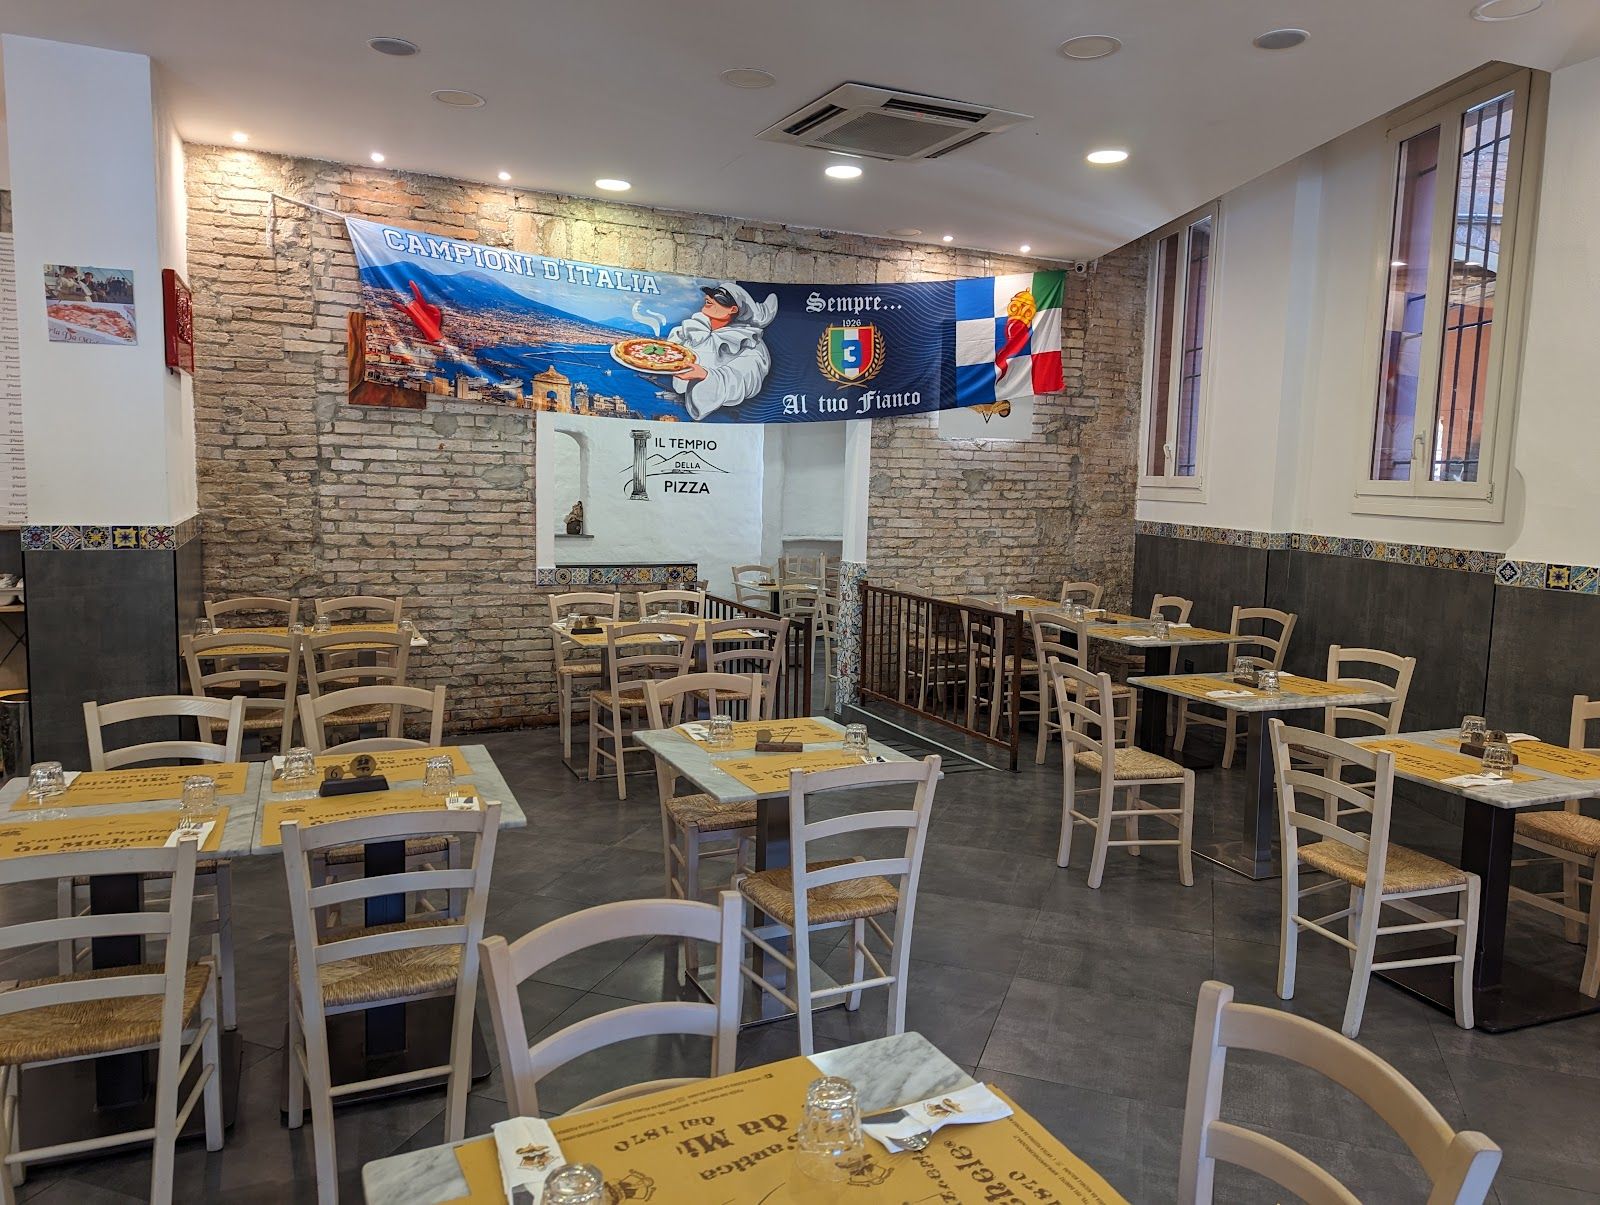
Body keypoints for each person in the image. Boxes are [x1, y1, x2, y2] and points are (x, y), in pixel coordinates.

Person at [665, 282, 778, 420]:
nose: (709, 298)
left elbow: (745, 379)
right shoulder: (692, 329)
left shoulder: (749, 342)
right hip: (678, 405)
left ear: (733, 309)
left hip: (723, 416)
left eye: (719, 297)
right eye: (711, 294)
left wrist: (704, 375)